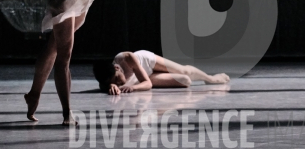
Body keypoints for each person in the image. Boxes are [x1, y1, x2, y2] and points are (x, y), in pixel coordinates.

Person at [93, 50, 230, 95]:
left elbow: (146, 83)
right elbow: (104, 86)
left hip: (147, 62)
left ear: (117, 68)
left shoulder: (127, 58)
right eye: (114, 83)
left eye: (117, 79)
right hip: (147, 77)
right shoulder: (105, 82)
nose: (118, 83)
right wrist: (110, 87)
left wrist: (132, 87)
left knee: (184, 70)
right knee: (185, 80)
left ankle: (211, 78)